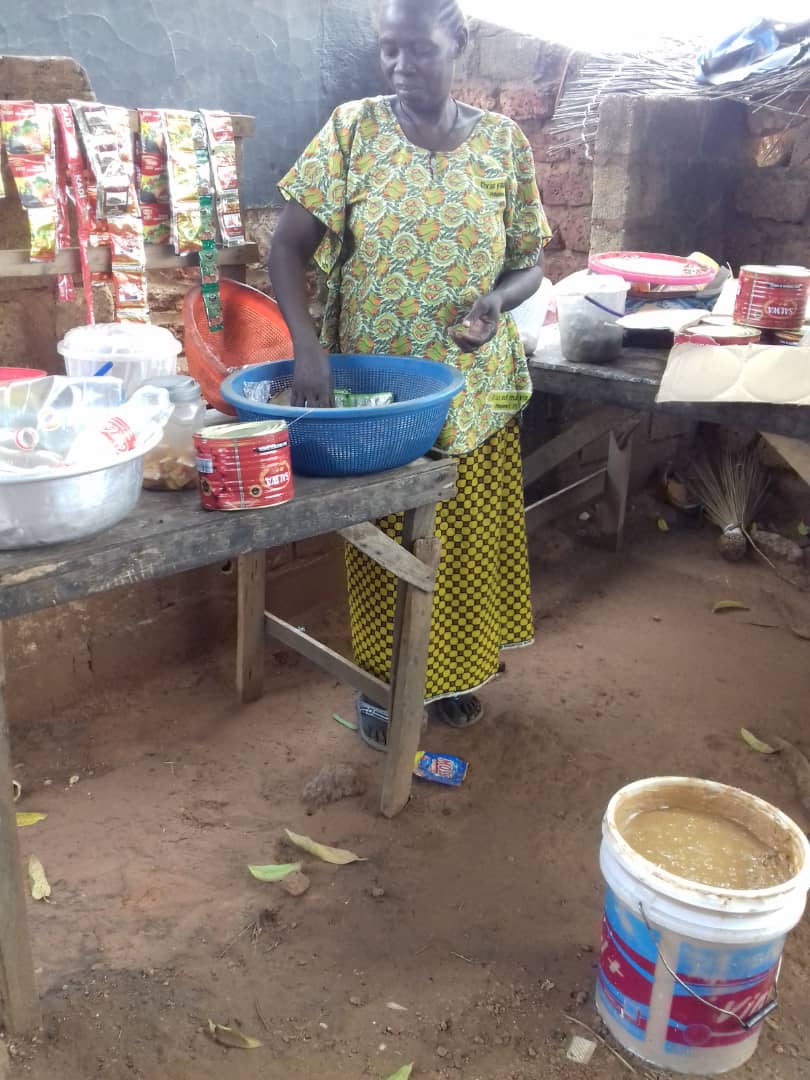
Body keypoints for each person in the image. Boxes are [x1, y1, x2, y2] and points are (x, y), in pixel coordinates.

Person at [269, 0, 551, 750]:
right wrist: (307, 349)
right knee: (386, 545)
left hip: (472, 386)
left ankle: (452, 675)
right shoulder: (353, 130)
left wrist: (496, 300)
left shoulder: (503, 143)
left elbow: (529, 260)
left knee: (465, 540)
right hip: (377, 396)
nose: (400, 66)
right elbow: (286, 247)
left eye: (418, 49)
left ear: (457, 43)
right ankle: (385, 684)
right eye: (388, 49)